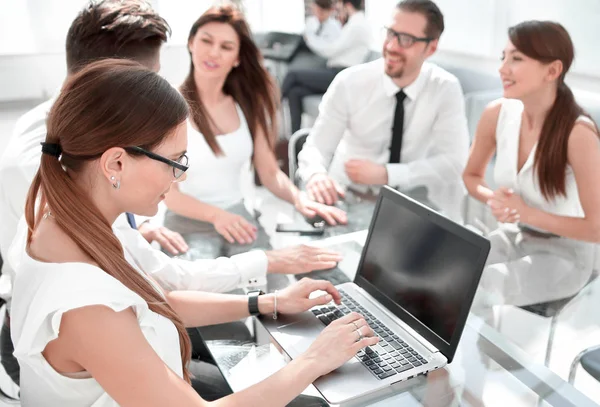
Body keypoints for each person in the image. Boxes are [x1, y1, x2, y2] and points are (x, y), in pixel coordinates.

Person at [0, 0, 344, 390]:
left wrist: (268, 301)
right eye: (174, 161)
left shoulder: (82, 214)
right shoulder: (86, 295)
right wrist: (314, 361)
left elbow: (156, 293)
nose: (180, 175)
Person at [165, 4, 347, 254]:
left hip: (238, 217)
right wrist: (217, 216)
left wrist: (300, 200)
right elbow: (168, 194)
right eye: (206, 41)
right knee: (210, 289)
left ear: (238, 57)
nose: (214, 52)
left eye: (226, 46)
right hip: (186, 222)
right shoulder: (167, 104)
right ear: (191, 43)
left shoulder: (248, 106)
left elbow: (270, 172)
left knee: (271, 287)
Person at [463, 21, 600, 314]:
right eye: (503, 57)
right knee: (451, 271)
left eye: (517, 59)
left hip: (566, 254)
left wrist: (525, 212)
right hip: (514, 236)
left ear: (552, 71)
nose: (502, 68)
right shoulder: (496, 113)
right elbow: (471, 176)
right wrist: (495, 200)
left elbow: (596, 228)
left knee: (479, 288)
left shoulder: (578, 133)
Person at [297, 0, 469, 220]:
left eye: (406, 40)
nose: (391, 46)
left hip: (407, 202)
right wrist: (316, 175)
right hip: (347, 196)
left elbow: (454, 162)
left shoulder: (445, 88)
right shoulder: (349, 82)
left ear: (431, 48)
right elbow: (317, 147)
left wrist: (387, 174)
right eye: (390, 33)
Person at [281, 0, 371, 133]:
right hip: (335, 72)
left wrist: (309, 39)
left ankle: (272, 105)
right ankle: (294, 138)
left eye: (340, 6)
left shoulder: (357, 25)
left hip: (341, 75)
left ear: (348, 5)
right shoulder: (352, 24)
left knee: (293, 75)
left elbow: (331, 50)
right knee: (295, 92)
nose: (337, 9)